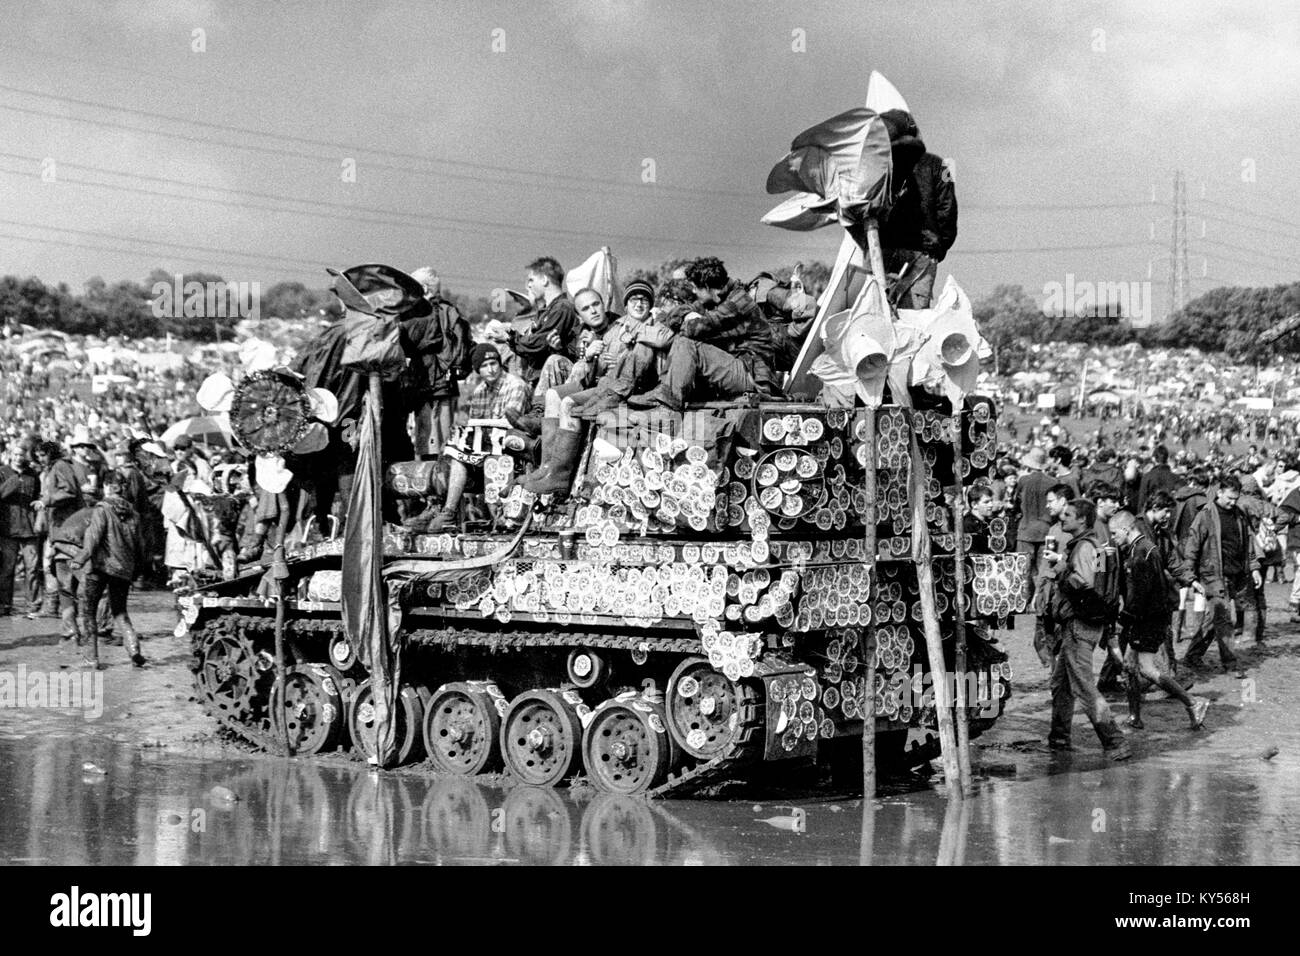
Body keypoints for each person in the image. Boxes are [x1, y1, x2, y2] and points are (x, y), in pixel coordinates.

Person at [1042, 498, 1131, 760]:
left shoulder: (1083, 547)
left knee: (1083, 687)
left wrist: (1061, 569)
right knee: (1061, 683)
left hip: (1079, 625)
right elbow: (1101, 584)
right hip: (1093, 622)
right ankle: (1059, 738)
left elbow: (1083, 584)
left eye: (1068, 515)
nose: (1063, 518)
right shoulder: (1097, 545)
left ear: (1082, 519)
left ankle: (1115, 741)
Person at [1108, 510, 1209, 731]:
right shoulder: (1143, 549)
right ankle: (1135, 717)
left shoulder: (1141, 553)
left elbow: (1139, 594)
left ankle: (1192, 703)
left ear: (1126, 529)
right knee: (1131, 666)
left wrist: (1124, 619)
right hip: (1148, 617)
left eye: (1115, 533)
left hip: (1147, 619)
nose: (1113, 538)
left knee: (1144, 668)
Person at [423, 344, 531, 532]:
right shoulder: (480, 390)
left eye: (494, 363)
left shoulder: (516, 385)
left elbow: (511, 423)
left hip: (514, 443)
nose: (491, 369)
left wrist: (473, 426)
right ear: (478, 370)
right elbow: (475, 425)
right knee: (454, 450)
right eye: (485, 366)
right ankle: (446, 510)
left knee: (459, 445)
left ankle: (451, 512)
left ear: (500, 364)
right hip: (487, 444)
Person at [1182, 475, 1256, 679]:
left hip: (1234, 574)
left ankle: (1192, 656)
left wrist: (1254, 567)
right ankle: (1230, 664)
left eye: (1236, 499)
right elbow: (1192, 546)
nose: (1232, 503)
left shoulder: (1239, 514)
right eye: (1229, 498)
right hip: (1212, 575)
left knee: (1213, 618)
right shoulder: (1205, 515)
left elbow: (1248, 542)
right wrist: (1189, 575)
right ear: (1219, 492)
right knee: (1224, 619)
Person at [69, 470, 145, 668]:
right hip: (123, 569)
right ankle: (134, 649)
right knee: (120, 612)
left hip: (100, 567)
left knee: (88, 611)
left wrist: (79, 559)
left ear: (107, 487)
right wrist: (137, 571)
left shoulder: (101, 510)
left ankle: (91, 658)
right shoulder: (134, 514)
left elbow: (93, 539)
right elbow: (140, 546)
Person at [404, 267, 471, 459]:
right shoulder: (450, 311)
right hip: (446, 384)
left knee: (429, 445)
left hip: (431, 383)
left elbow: (408, 343)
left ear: (424, 289)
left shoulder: (426, 313)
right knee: (445, 443)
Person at [510, 257, 579, 388]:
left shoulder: (562, 309)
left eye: (531, 280)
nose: (528, 286)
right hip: (540, 380)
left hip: (553, 383)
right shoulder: (546, 311)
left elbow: (538, 344)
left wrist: (510, 337)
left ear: (544, 280)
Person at [0, 442, 42, 615]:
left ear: (25, 456)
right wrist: (14, 481)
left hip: (29, 528)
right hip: (7, 528)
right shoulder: (2, 472)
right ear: (10, 455)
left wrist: (40, 502)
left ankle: (33, 605)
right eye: (15, 454)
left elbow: (38, 495)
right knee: (7, 569)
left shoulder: (32, 474)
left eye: (21, 454)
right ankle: (5, 605)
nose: (18, 458)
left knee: (32, 568)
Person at [1012, 446, 1054, 604]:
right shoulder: (1053, 482)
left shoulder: (1023, 481)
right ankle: (1041, 599)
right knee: (1045, 567)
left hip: (1026, 529)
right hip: (1047, 530)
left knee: (1024, 568)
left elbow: (1016, 503)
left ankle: (1024, 600)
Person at [1136, 445, 1178, 514]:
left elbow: (1142, 501)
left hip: (1152, 514)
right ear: (1167, 459)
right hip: (1171, 514)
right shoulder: (1176, 478)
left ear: (1153, 459)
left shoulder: (1147, 477)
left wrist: (1140, 517)